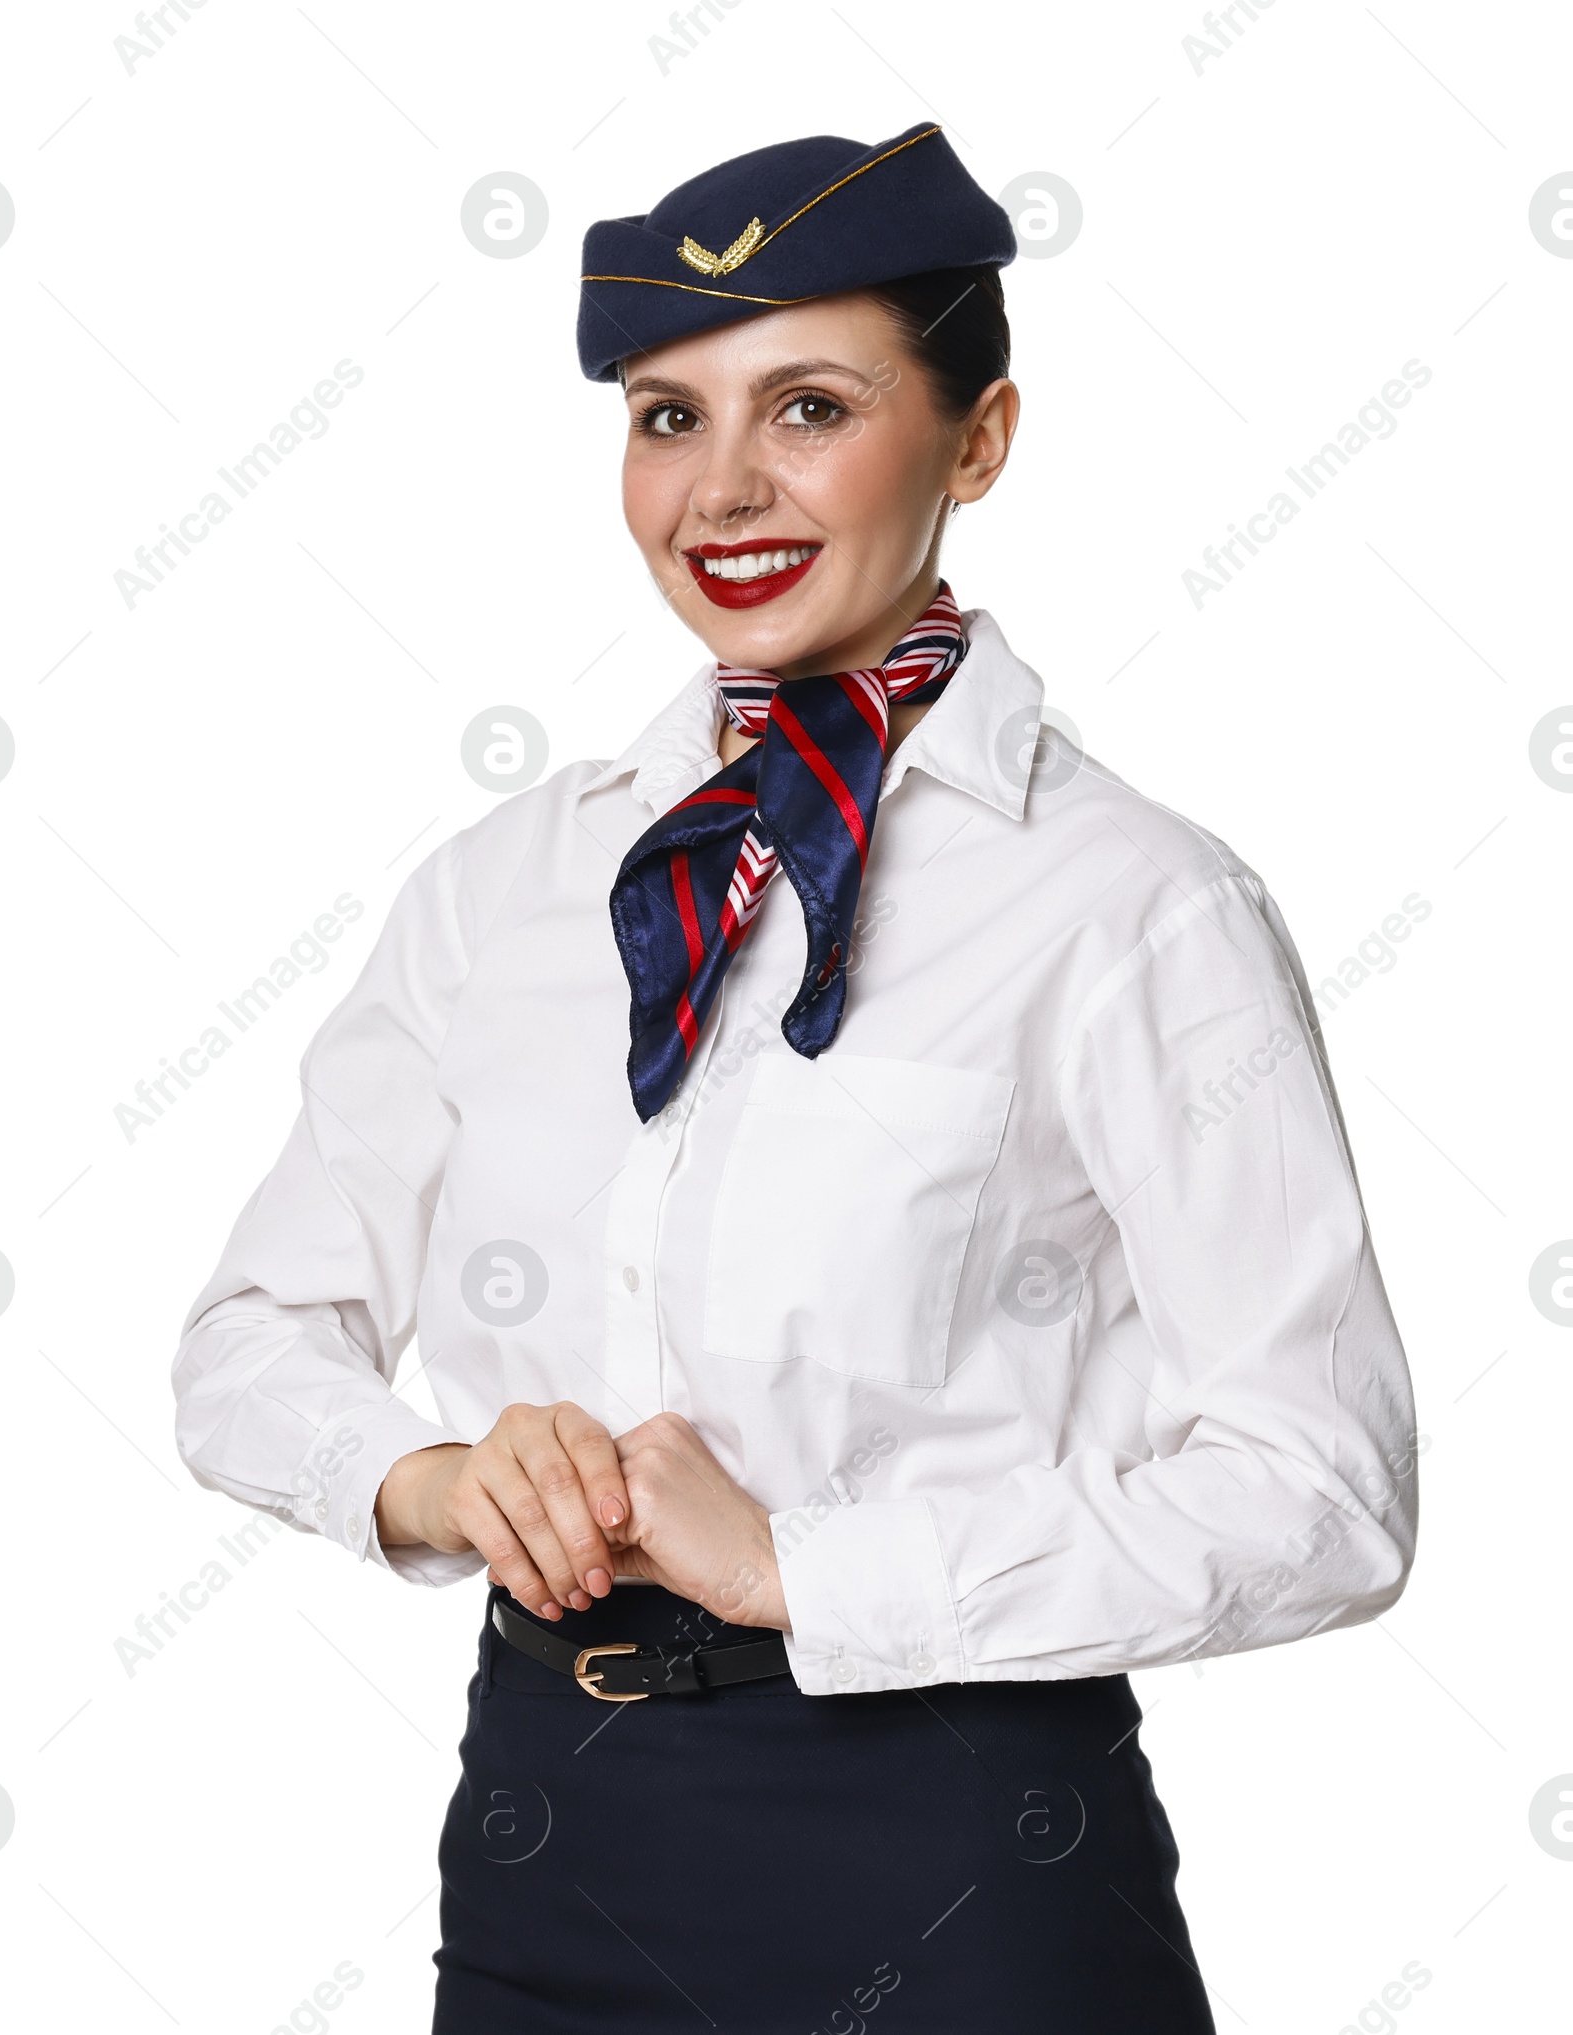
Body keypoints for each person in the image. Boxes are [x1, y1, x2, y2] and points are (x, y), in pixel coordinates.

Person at [172, 121, 1418, 2033]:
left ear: (980, 438)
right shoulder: (503, 889)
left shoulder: (1132, 904)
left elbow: (1323, 1493)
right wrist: (437, 1481)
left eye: (811, 407)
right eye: (668, 419)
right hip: (543, 1847)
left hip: (959, 1865)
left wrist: (806, 1567)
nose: (722, 489)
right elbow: (255, 1337)